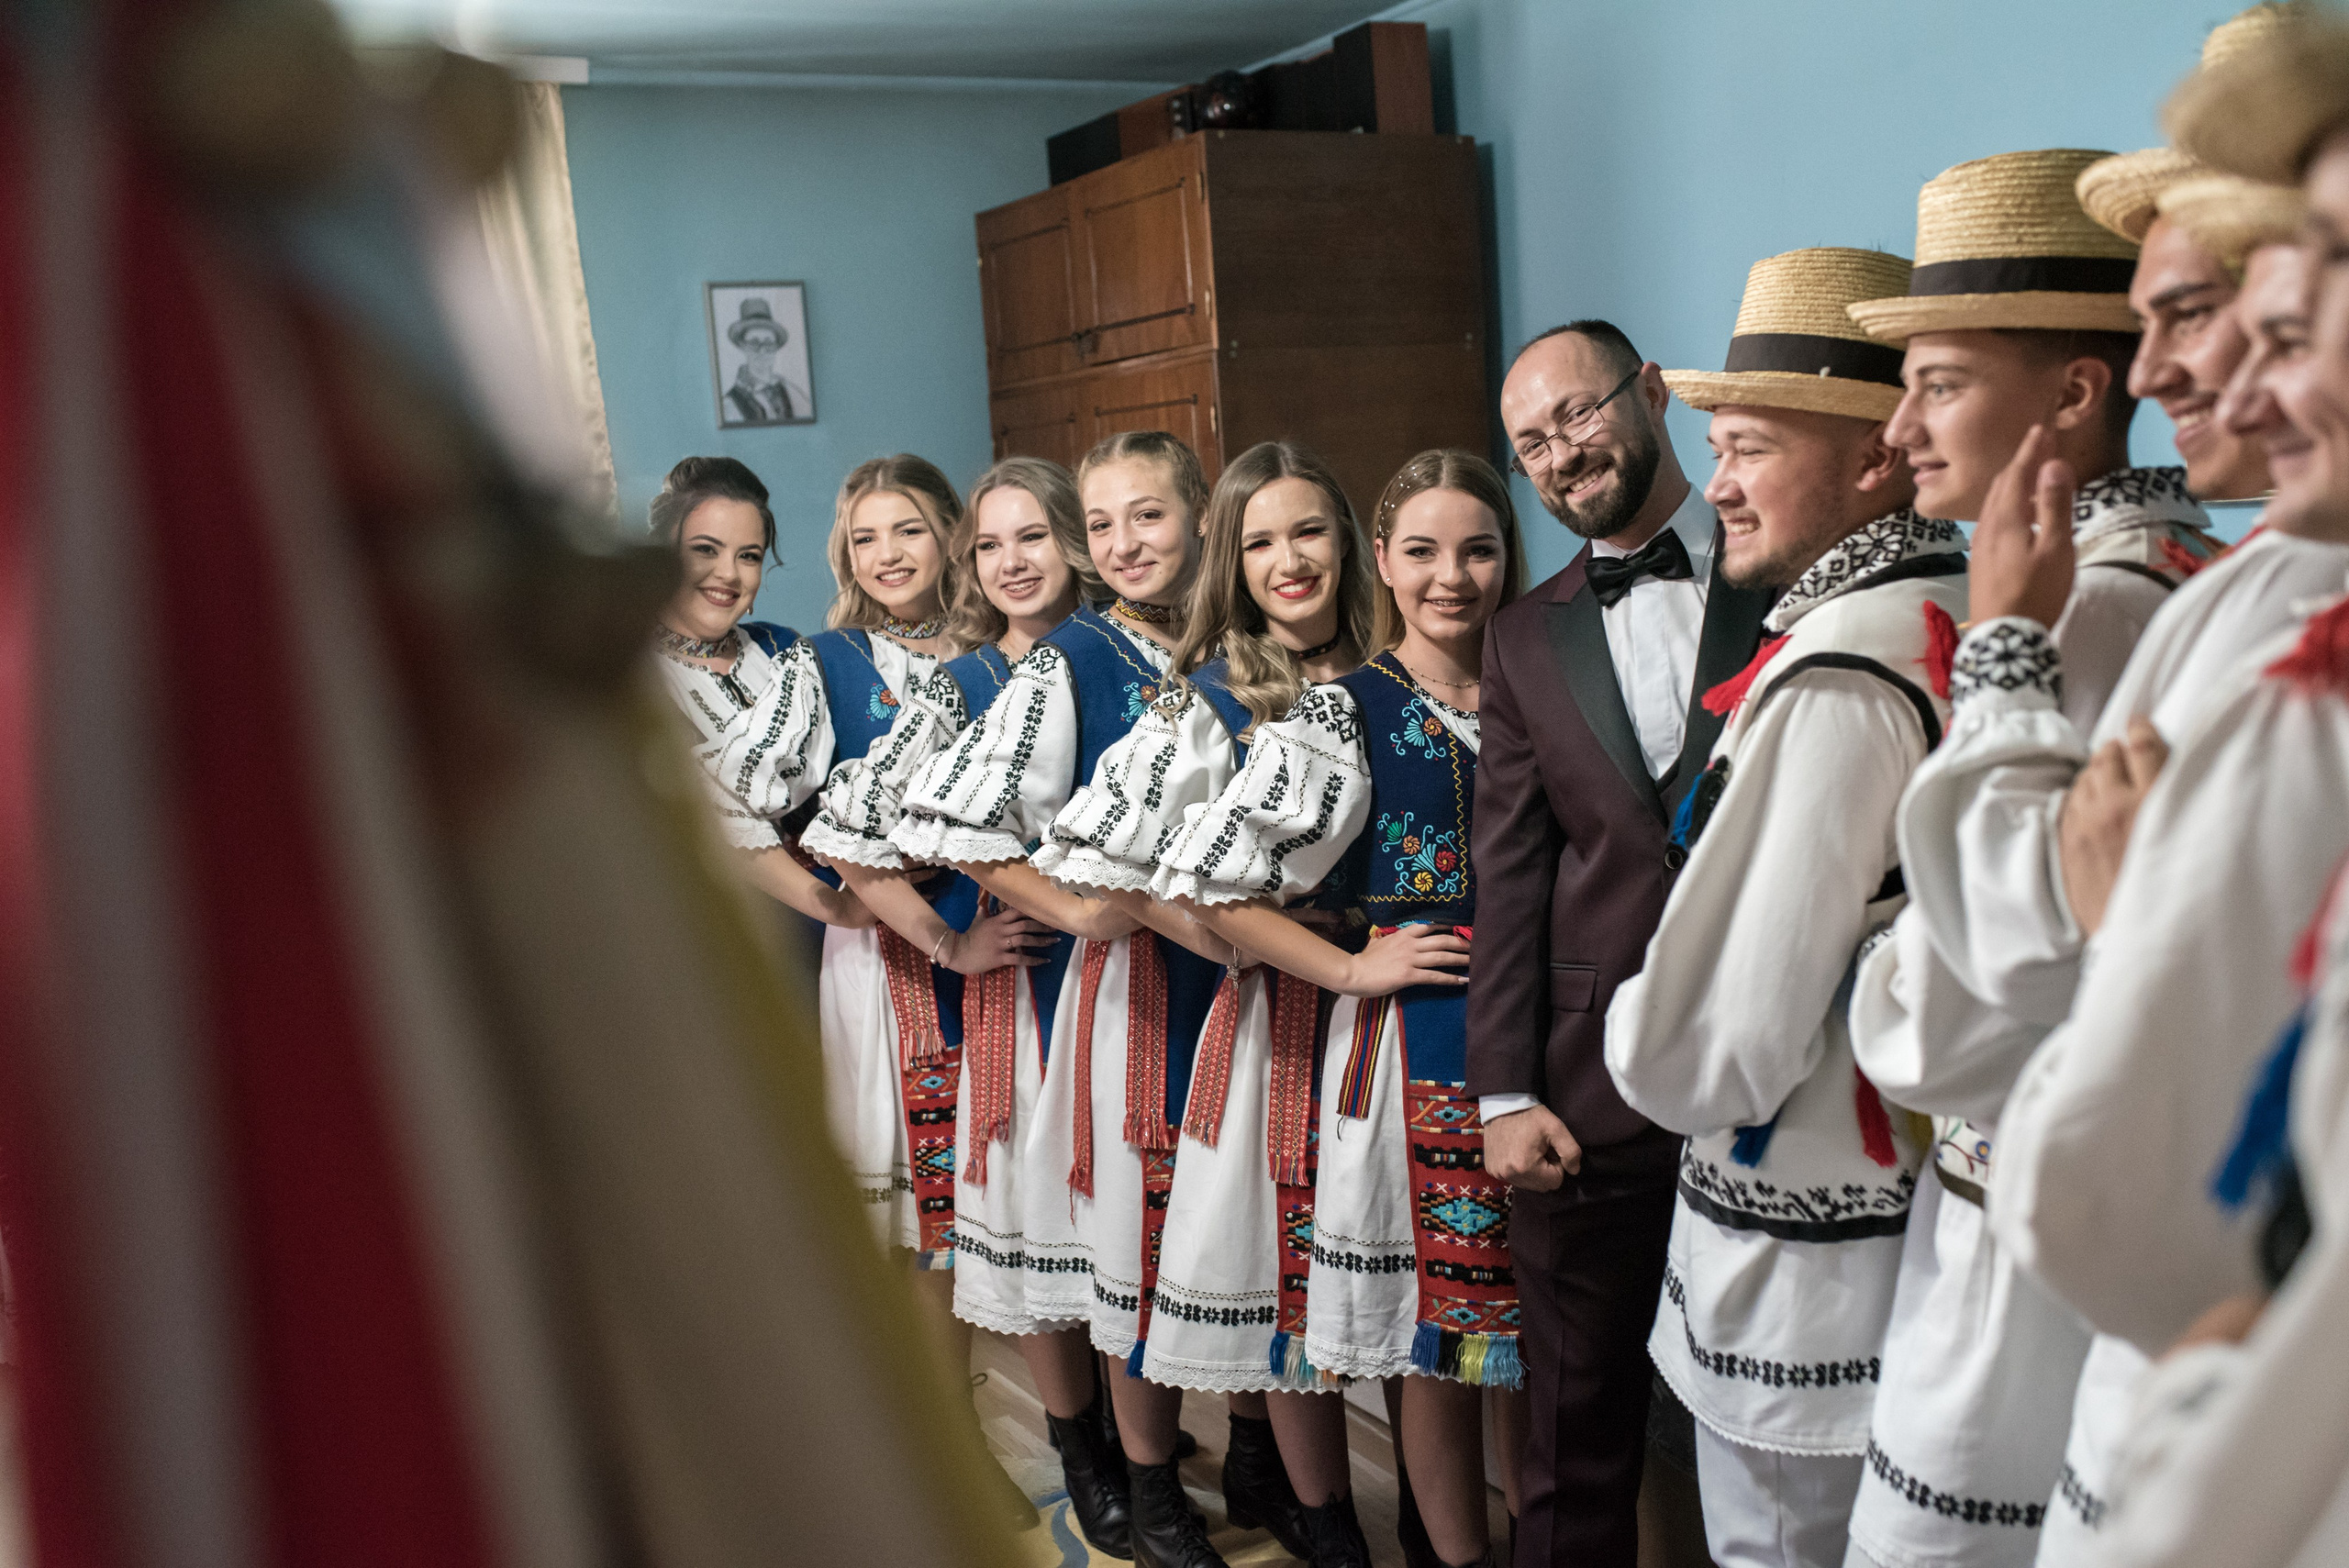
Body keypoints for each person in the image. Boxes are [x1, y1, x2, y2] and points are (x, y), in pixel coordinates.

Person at [1837, 77, 2343, 1568]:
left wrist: (2006, 667)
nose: (2211, 376)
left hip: (2118, 1301)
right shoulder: (2238, 579)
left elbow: (1965, 1012)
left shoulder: (2151, 610)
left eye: (2248, 322)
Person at [1599, 247, 1961, 1568]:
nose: (1721, 482)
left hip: (1808, 1252)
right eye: (1715, 442)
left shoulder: (1840, 673)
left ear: (1877, 459)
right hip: (1923, 1226)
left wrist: (1634, 1024)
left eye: (1749, 445)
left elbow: (1715, 1042)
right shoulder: (1972, 608)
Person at [1160, 449, 1531, 1568]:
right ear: (1384, 562)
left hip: (1545, 1035)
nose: (1451, 576)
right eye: (1420, 551)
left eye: (1476, 549)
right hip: (1416, 1043)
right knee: (1443, 1336)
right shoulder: (1346, 709)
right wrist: (1353, 970)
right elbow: (1209, 873)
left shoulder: (1540, 682)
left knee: (1520, 1324)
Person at [896, 432, 1258, 1568]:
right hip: (1113, 989)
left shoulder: (1227, 642)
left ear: (1198, 514)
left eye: (1139, 518)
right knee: (1117, 1232)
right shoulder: (1071, 659)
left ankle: (1249, 1454)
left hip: (1241, 975)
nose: (1120, 542)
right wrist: (1081, 908)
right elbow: (937, 819)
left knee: (1232, 1223)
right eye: (1104, 523)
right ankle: (1123, 1474)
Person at [1036, 440, 1379, 1566]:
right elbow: (1116, 862)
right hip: (1213, 1004)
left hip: (1356, 1023)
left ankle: (1263, 1467)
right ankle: (1167, 1481)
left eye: (1307, 532)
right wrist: (1237, 938)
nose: (1285, 559)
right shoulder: (1208, 692)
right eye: (1262, 541)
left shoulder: (1382, 668)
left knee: (1302, 1260)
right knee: (1198, 1246)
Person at [1469, 319, 1774, 1568]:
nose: (1561, 454)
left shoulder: (1792, 576)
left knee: (1775, 1413)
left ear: (1651, 393)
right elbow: (1510, 876)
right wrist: (1504, 1089)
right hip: (1588, 1096)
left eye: (1580, 415)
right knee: (1573, 1433)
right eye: (1533, 441)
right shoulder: (1522, 636)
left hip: (1780, 1066)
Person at [802, 457, 1108, 1533]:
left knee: (1013, 1201)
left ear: (948, 541)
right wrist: (876, 915)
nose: (888, 554)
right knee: (926, 1221)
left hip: (1009, 965)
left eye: (913, 532)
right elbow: (801, 822)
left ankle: (1100, 1433)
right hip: (899, 962)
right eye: (866, 535)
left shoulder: (1002, 661)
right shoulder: (831, 661)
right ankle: (943, 1432)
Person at [644, 454, 864, 928]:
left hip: (851, 914)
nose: (729, 574)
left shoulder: (782, 647)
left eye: (749, 556)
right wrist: (842, 910)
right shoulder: (639, 680)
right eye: (706, 549)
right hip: (725, 929)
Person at [722, 296, 810, 423]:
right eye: (754, 343)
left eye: (768, 343)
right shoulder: (730, 404)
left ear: (776, 347)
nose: (762, 351)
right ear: (743, 347)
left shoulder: (793, 394)